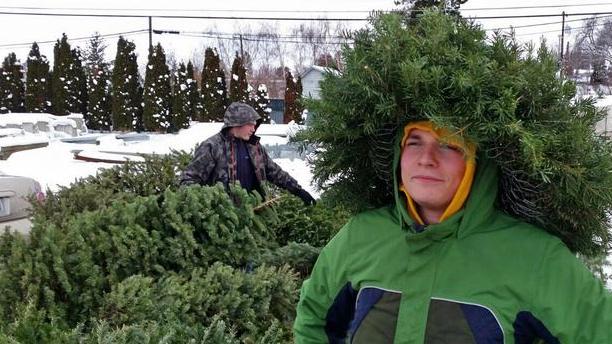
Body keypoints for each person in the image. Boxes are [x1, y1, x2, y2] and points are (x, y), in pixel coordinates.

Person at [293, 121, 612, 343]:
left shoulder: (535, 258)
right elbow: (315, 320)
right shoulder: (360, 236)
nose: (426, 159)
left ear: (478, 162)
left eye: (449, 145)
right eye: (414, 142)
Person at [180, 102, 315, 205]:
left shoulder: (254, 147)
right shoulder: (212, 147)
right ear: (237, 123)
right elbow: (189, 181)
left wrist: (298, 191)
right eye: (250, 124)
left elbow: (275, 172)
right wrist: (205, 205)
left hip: (255, 215)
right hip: (224, 219)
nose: (254, 128)